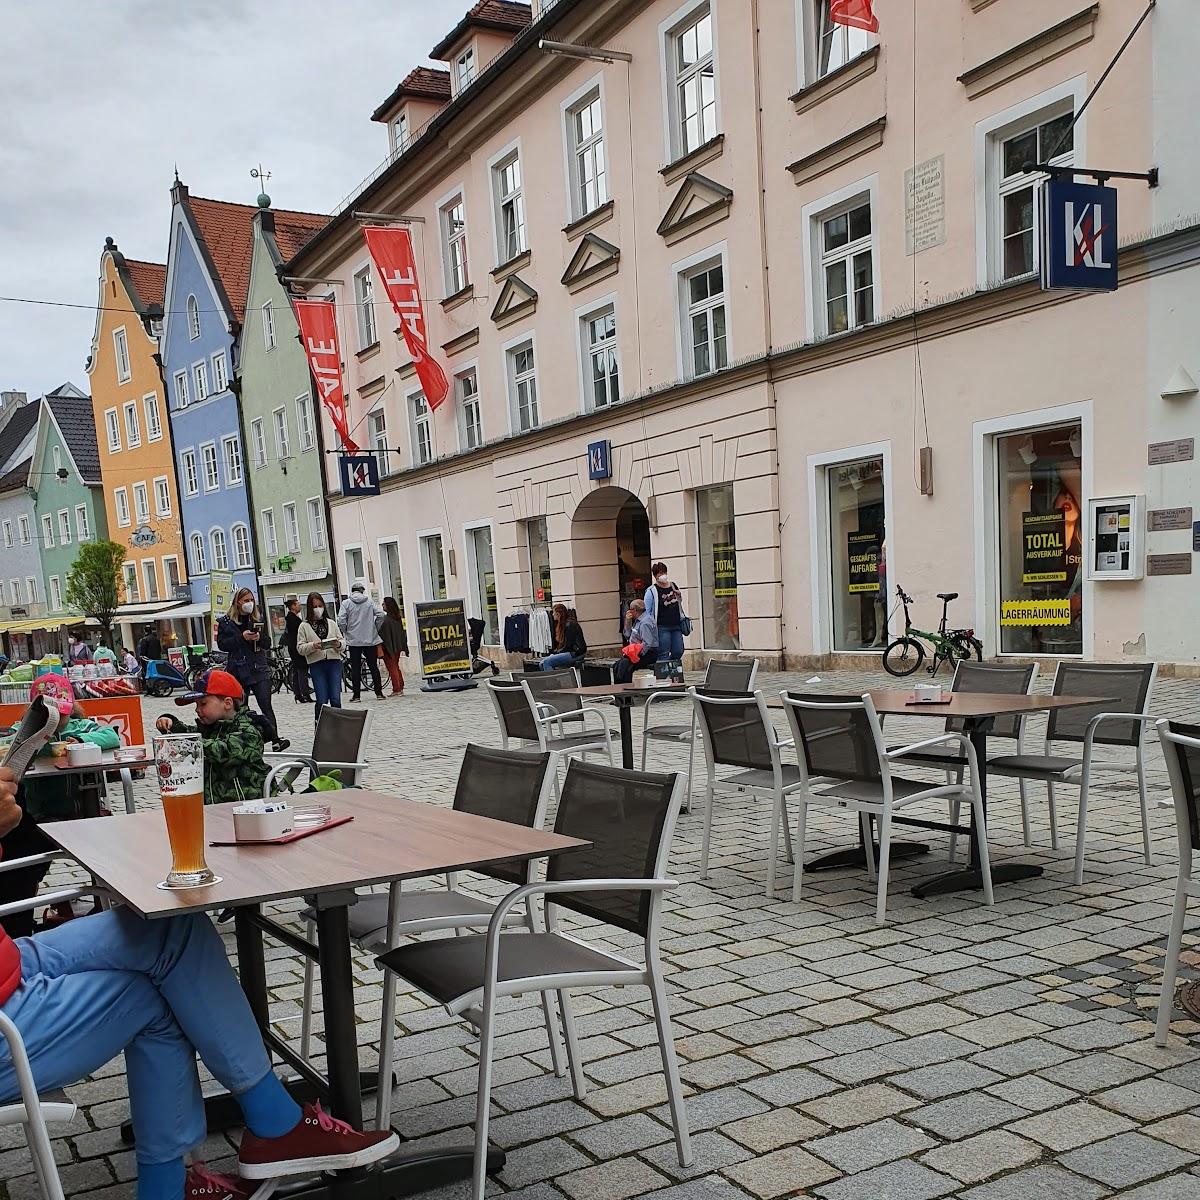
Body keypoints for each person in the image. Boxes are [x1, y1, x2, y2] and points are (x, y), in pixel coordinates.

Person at [0, 767, 399, 1200]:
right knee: (161, 993)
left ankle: (258, 1133)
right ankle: (255, 1137)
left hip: (9, 960)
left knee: (175, 926)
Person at [0, 676, 122, 937]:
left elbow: (110, 736)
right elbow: (7, 741)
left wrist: (77, 741)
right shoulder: (22, 727)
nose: (58, 723)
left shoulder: (81, 726)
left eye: (62, 715)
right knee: (24, 864)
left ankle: (106, 904)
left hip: (77, 811)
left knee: (110, 851)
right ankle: (25, 915)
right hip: (38, 816)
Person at [155, 669, 270, 806]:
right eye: (196, 704)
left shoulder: (249, 731)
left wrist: (183, 743)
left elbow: (221, 750)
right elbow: (192, 733)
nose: (197, 710)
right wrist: (173, 725)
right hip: (214, 808)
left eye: (203, 704)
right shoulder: (212, 728)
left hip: (246, 807)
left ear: (227, 703)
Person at [215, 588, 288, 753]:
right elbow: (223, 645)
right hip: (238, 670)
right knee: (241, 707)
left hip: (258, 668)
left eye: (251, 600)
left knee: (266, 704)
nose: (250, 603)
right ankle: (242, 740)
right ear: (238, 602)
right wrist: (242, 638)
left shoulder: (257, 619)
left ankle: (275, 739)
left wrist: (258, 638)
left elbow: (267, 643)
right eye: (246, 600)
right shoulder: (226, 622)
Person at [295, 593, 344, 723]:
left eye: (320, 605)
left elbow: (342, 642)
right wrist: (312, 645)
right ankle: (319, 724)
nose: (318, 609)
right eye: (315, 606)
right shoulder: (304, 626)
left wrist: (338, 644)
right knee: (322, 699)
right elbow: (300, 648)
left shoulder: (331, 623)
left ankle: (337, 726)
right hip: (317, 664)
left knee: (335, 698)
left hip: (334, 662)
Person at [336, 582, 384, 702]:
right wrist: (375, 628)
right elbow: (381, 615)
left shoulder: (346, 603)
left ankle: (356, 696)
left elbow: (341, 620)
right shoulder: (369, 602)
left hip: (354, 641)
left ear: (352, 591)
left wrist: (346, 631)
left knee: (356, 668)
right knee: (373, 666)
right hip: (370, 639)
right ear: (362, 591)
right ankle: (379, 693)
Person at [644, 562, 687, 667]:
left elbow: (679, 603)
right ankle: (663, 675)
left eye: (664, 572)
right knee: (663, 653)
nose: (662, 575)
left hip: (676, 625)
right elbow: (648, 611)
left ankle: (673, 671)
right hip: (661, 627)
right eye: (659, 574)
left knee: (678, 651)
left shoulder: (673, 586)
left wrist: (679, 596)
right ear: (655, 576)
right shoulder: (651, 591)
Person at [612, 598, 657, 684]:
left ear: (635, 610)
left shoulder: (645, 622)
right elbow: (627, 635)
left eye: (630, 610)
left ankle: (626, 691)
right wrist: (628, 622)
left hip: (647, 653)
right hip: (635, 651)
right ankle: (620, 690)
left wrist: (637, 655)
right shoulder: (638, 621)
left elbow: (647, 643)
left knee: (625, 666)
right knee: (617, 665)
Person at [282, 598, 313, 704]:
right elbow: (296, 635)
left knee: (296, 671)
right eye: (298, 604)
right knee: (302, 670)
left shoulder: (292, 618)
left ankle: (298, 694)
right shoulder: (293, 619)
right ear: (293, 606)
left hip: (293, 648)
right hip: (296, 648)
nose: (300, 606)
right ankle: (305, 694)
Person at [541, 603, 587, 671]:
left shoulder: (570, 625)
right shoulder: (563, 624)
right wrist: (555, 653)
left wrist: (555, 654)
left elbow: (569, 646)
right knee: (541, 663)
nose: (552, 615)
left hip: (577, 653)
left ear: (558, 614)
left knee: (547, 662)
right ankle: (553, 679)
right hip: (570, 652)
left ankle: (554, 681)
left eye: (553, 612)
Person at [378, 597, 408, 696]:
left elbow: (384, 635)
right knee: (396, 666)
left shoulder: (386, 620)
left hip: (389, 647)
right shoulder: (397, 618)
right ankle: (400, 686)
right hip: (397, 646)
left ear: (388, 606)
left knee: (392, 668)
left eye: (384, 604)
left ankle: (397, 689)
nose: (382, 605)